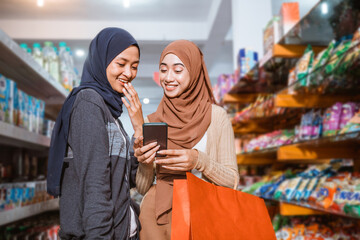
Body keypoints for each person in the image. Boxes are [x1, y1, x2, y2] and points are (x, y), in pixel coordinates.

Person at [134, 40, 239, 240]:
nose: (168, 77)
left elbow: (233, 181)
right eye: (163, 70)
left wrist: (199, 161)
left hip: (203, 215)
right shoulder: (152, 121)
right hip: (157, 219)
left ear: (194, 71)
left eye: (178, 70)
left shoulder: (216, 117)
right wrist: (145, 163)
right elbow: (142, 188)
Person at [47, 27, 144, 239]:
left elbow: (129, 179)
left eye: (134, 66)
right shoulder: (89, 103)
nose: (128, 73)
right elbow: (95, 187)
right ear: (102, 60)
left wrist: (138, 128)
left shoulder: (111, 112)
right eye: (121, 64)